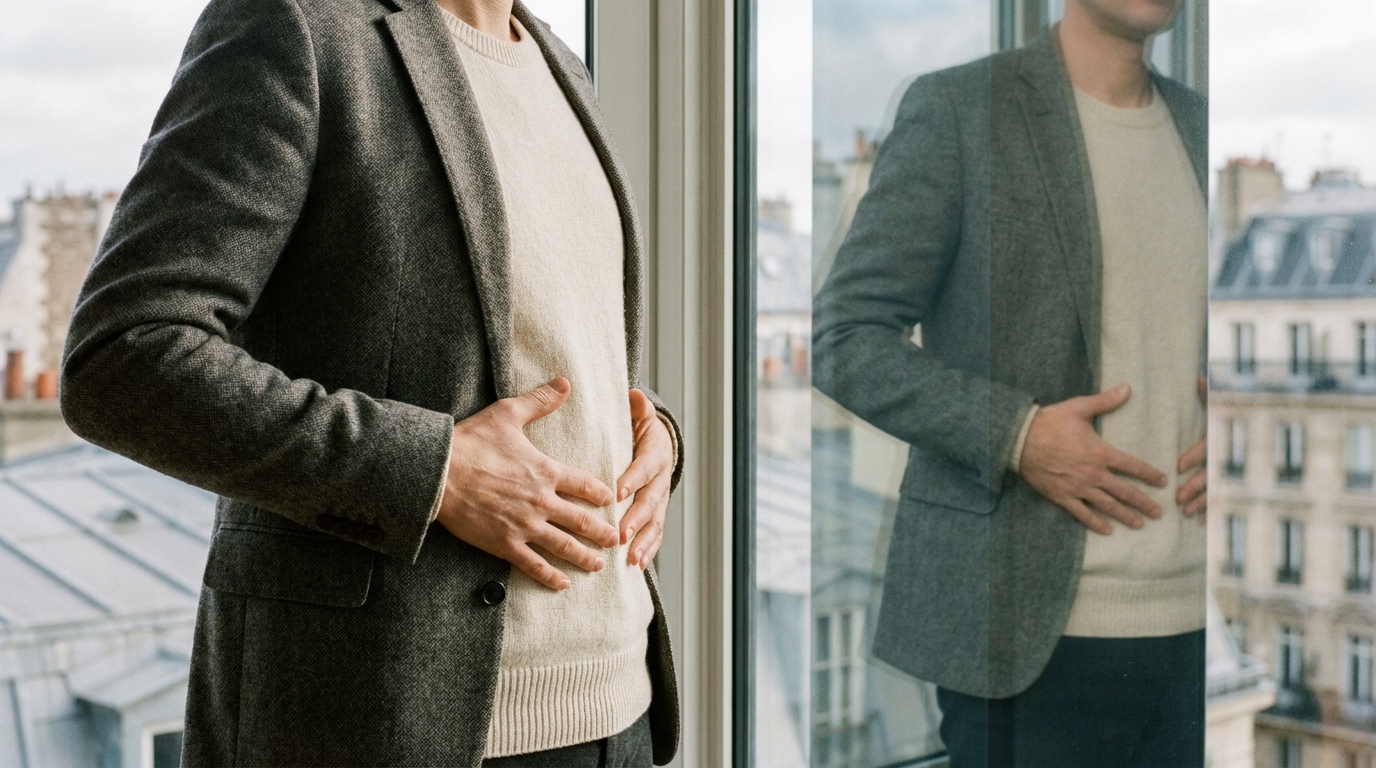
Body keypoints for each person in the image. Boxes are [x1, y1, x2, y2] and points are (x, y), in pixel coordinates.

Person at [59, 0, 682, 765]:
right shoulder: (291, 25)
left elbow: (544, 336)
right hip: (390, 718)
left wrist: (648, 430)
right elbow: (124, 356)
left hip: (624, 709)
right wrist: (436, 471)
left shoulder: (561, 65)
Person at [812, 0, 1207, 765]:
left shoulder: (1201, 125)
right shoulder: (960, 110)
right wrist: (1017, 435)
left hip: (1190, 633)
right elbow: (843, 337)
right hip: (1022, 642)